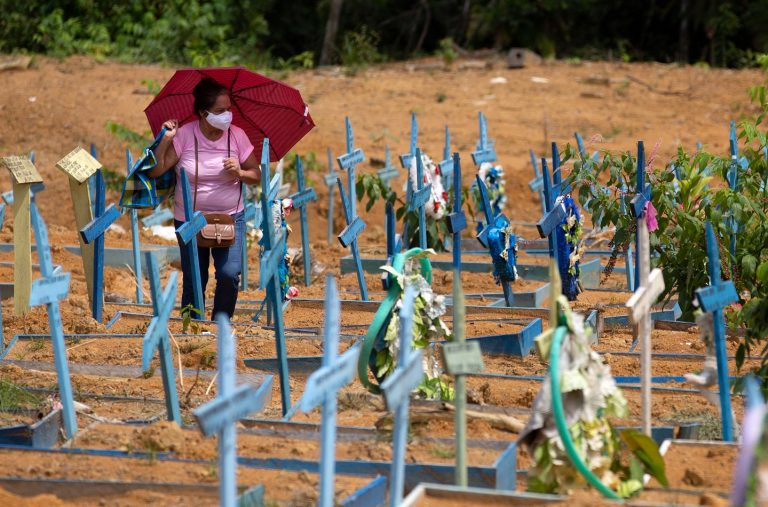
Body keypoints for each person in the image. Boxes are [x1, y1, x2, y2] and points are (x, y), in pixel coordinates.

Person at [149, 77, 261, 318]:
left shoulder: (237, 135)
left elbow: (256, 175)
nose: (227, 116)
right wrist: (166, 139)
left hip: (230, 217)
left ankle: (221, 324)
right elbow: (156, 170)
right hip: (190, 219)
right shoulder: (184, 135)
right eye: (220, 111)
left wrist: (240, 172)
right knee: (195, 277)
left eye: (229, 109)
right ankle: (192, 327)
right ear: (203, 112)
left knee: (230, 274)